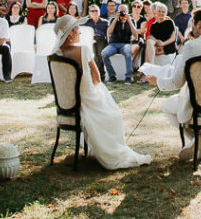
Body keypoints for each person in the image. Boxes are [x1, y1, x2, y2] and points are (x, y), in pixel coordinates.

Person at [52, 16, 152, 169]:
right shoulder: (83, 49)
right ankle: (113, 150)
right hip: (85, 101)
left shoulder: (54, 55)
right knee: (113, 113)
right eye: (76, 28)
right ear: (70, 33)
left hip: (66, 104)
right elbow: (97, 77)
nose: (79, 31)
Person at [146, 7, 201, 162]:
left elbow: (177, 82)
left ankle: (198, 139)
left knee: (168, 105)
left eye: (193, 23)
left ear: (199, 24)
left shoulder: (192, 46)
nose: (192, 26)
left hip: (197, 105)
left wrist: (157, 81)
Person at [103, 3, 138, 83]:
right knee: (104, 53)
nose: (123, 14)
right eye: (121, 11)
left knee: (128, 52)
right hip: (113, 44)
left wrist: (129, 21)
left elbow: (136, 35)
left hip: (125, 44)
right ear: (117, 12)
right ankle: (112, 76)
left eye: (124, 11)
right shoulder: (113, 19)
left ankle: (128, 76)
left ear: (128, 12)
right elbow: (108, 32)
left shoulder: (132, 20)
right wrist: (115, 19)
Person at [81, 5, 109, 79]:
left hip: (101, 40)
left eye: (96, 10)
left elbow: (109, 34)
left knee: (100, 54)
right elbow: (82, 33)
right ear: (89, 13)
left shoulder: (105, 22)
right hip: (90, 40)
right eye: (92, 11)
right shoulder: (86, 22)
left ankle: (101, 74)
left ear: (99, 12)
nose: (94, 12)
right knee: (94, 55)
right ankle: (97, 75)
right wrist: (89, 39)